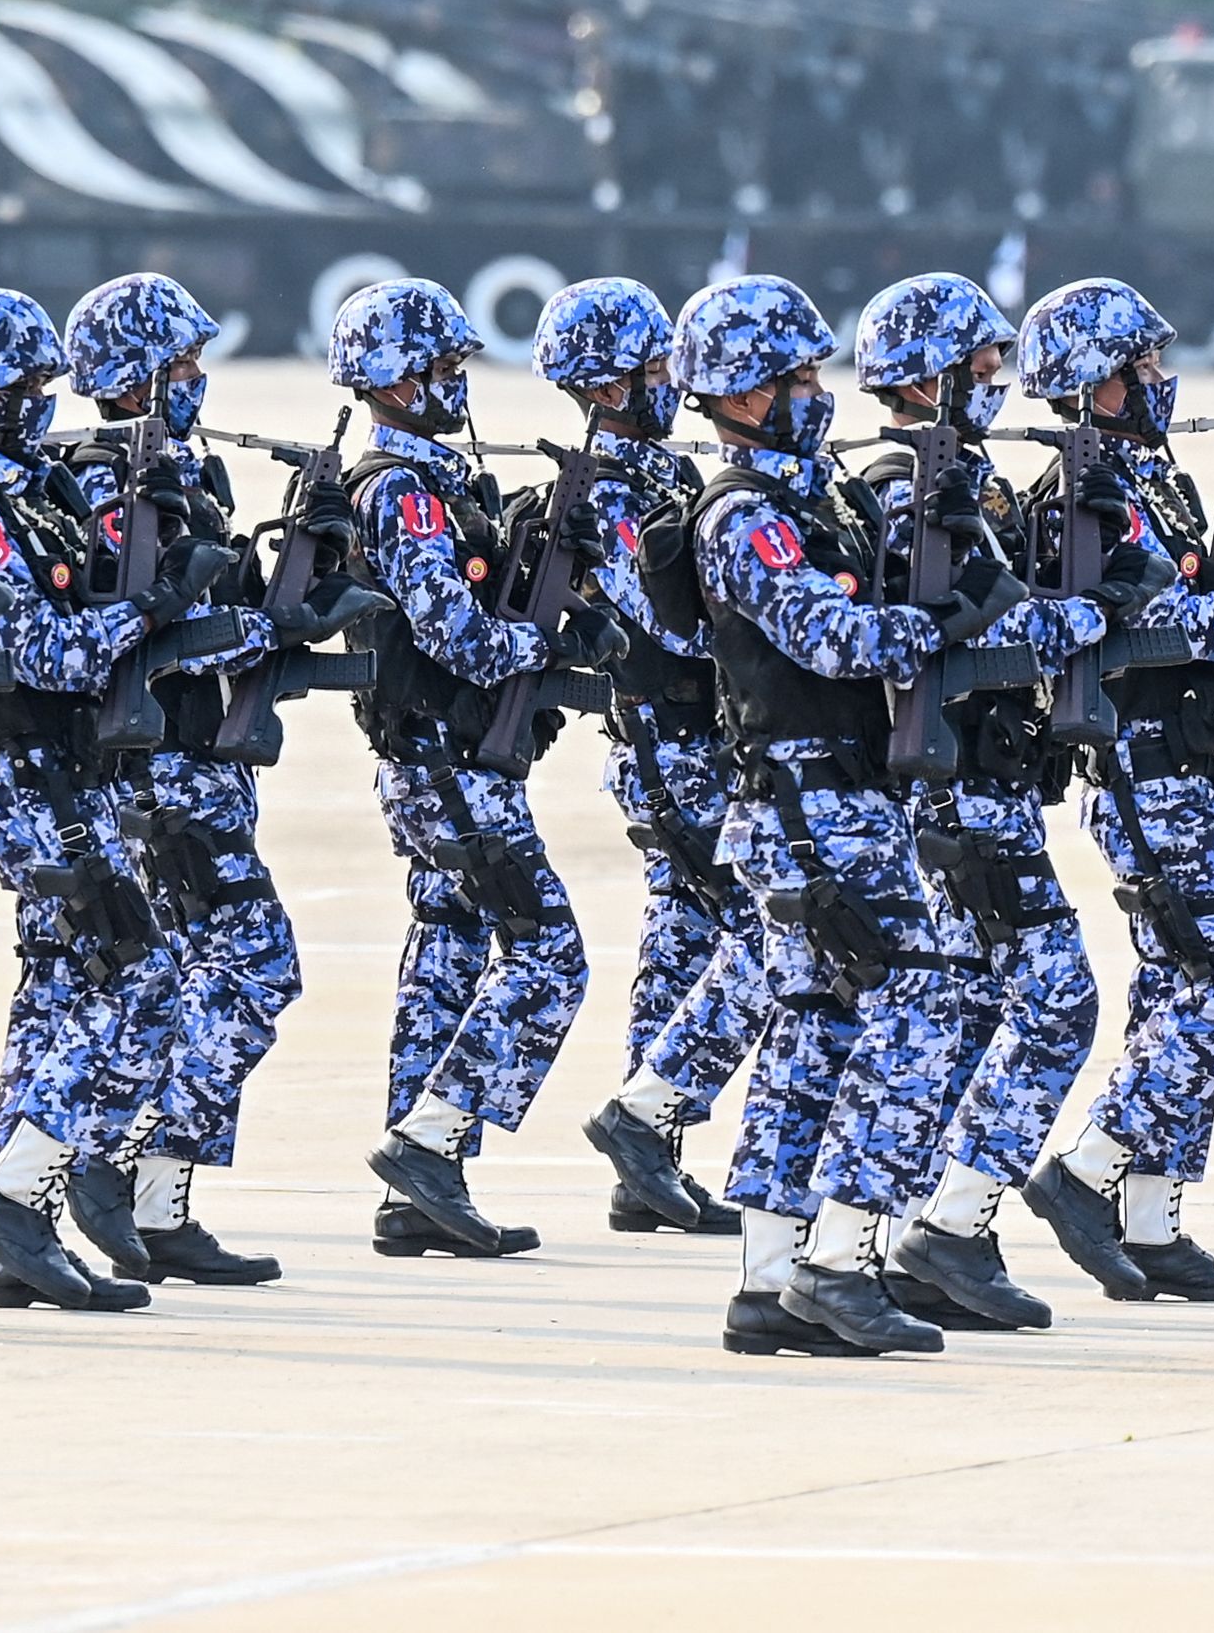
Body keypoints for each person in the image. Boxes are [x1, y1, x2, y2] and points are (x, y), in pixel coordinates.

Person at [667, 273, 980, 1357]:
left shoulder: (814, 496)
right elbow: (825, 637)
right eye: (792, 377)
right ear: (740, 395)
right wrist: (934, 621)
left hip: (827, 802)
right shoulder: (742, 512)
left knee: (813, 1032)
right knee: (919, 1012)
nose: (815, 392)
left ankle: (768, 1281)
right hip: (812, 808)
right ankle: (841, 1260)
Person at [851, 270, 1147, 1330]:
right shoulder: (905, 486)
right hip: (956, 789)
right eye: (976, 368)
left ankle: (902, 1237)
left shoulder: (953, 480)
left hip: (983, 783)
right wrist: (1097, 607)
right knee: (1055, 1001)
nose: (993, 384)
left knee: (963, 1014)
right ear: (928, 377)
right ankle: (954, 1225)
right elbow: (986, 628)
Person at [1017, 276, 1214, 1302]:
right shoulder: (1088, 491)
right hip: (1143, 762)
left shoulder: (1147, 474)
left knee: (1174, 988)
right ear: (1089, 383)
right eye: (1136, 365)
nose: (1156, 378)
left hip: (1181, 759)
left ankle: (1153, 1219)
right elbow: (1191, 620)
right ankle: (1087, 1171)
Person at [0, 289, 191, 1314]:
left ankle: (16, 1234)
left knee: (60, 996)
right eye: (20, 386)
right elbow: (48, 651)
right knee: (143, 982)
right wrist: (149, 609)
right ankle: (13, 1194)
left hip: (67, 777)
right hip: (39, 781)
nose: (38, 402)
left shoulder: (22, 488)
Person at [334, 278, 608, 1258]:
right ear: (395, 382)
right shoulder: (401, 489)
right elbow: (452, 633)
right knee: (547, 955)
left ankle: (419, 1192)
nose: (458, 384)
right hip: (448, 760)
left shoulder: (436, 479)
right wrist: (554, 645)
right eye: (442, 370)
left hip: (428, 758)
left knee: (447, 952)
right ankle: (428, 1142)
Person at [61, 270, 301, 1285]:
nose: (198, 378)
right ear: (131, 375)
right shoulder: (108, 479)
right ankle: (111, 1162)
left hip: (199, 764)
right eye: (180, 363)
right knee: (254, 965)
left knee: (201, 976)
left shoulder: (175, 467)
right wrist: (265, 624)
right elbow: (148, 628)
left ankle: (159, 1196)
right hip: (156, 769)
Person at [540, 277, 760, 1246]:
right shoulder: (608, 490)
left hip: (695, 739)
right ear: (612, 383)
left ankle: (650, 1164)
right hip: (675, 743)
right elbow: (664, 626)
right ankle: (649, 1113)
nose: (672, 381)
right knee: (760, 929)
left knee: (680, 937)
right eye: (655, 367)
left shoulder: (662, 473)